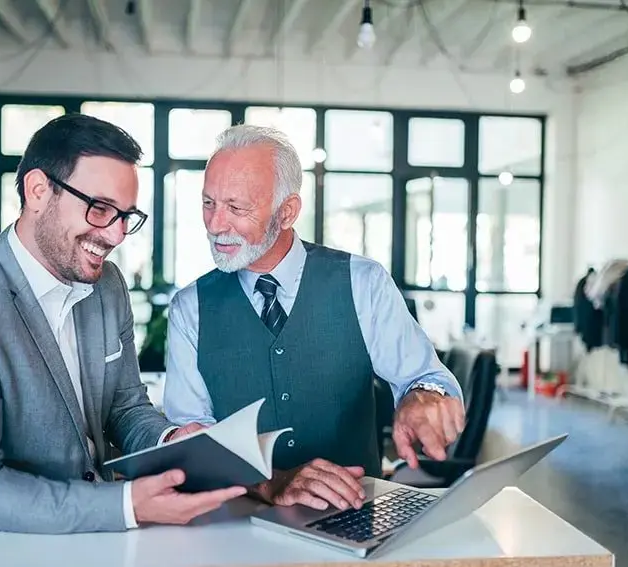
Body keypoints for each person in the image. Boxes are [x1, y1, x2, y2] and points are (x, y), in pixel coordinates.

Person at [0, 113, 245, 534]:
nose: (117, 235)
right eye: (100, 209)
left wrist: (170, 441)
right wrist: (125, 505)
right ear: (38, 191)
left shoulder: (107, 285)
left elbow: (125, 408)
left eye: (126, 216)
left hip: (103, 543)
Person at [163, 124, 465, 513]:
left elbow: (427, 377)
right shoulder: (190, 308)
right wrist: (271, 482)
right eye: (208, 203)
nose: (215, 224)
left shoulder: (363, 282)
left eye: (236, 208)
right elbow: (193, 442)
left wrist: (424, 397)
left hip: (354, 519)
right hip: (234, 527)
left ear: (286, 212)